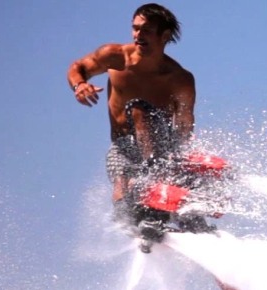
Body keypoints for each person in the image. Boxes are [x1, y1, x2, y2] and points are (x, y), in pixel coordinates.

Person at [66, 3, 195, 224]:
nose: (138, 35)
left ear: (164, 35)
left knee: (138, 107)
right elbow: (78, 67)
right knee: (121, 183)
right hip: (123, 144)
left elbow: (184, 125)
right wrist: (79, 85)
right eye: (135, 28)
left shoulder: (179, 79)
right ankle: (135, 222)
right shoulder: (115, 57)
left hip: (163, 147)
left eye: (146, 30)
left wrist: (182, 161)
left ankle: (170, 193)